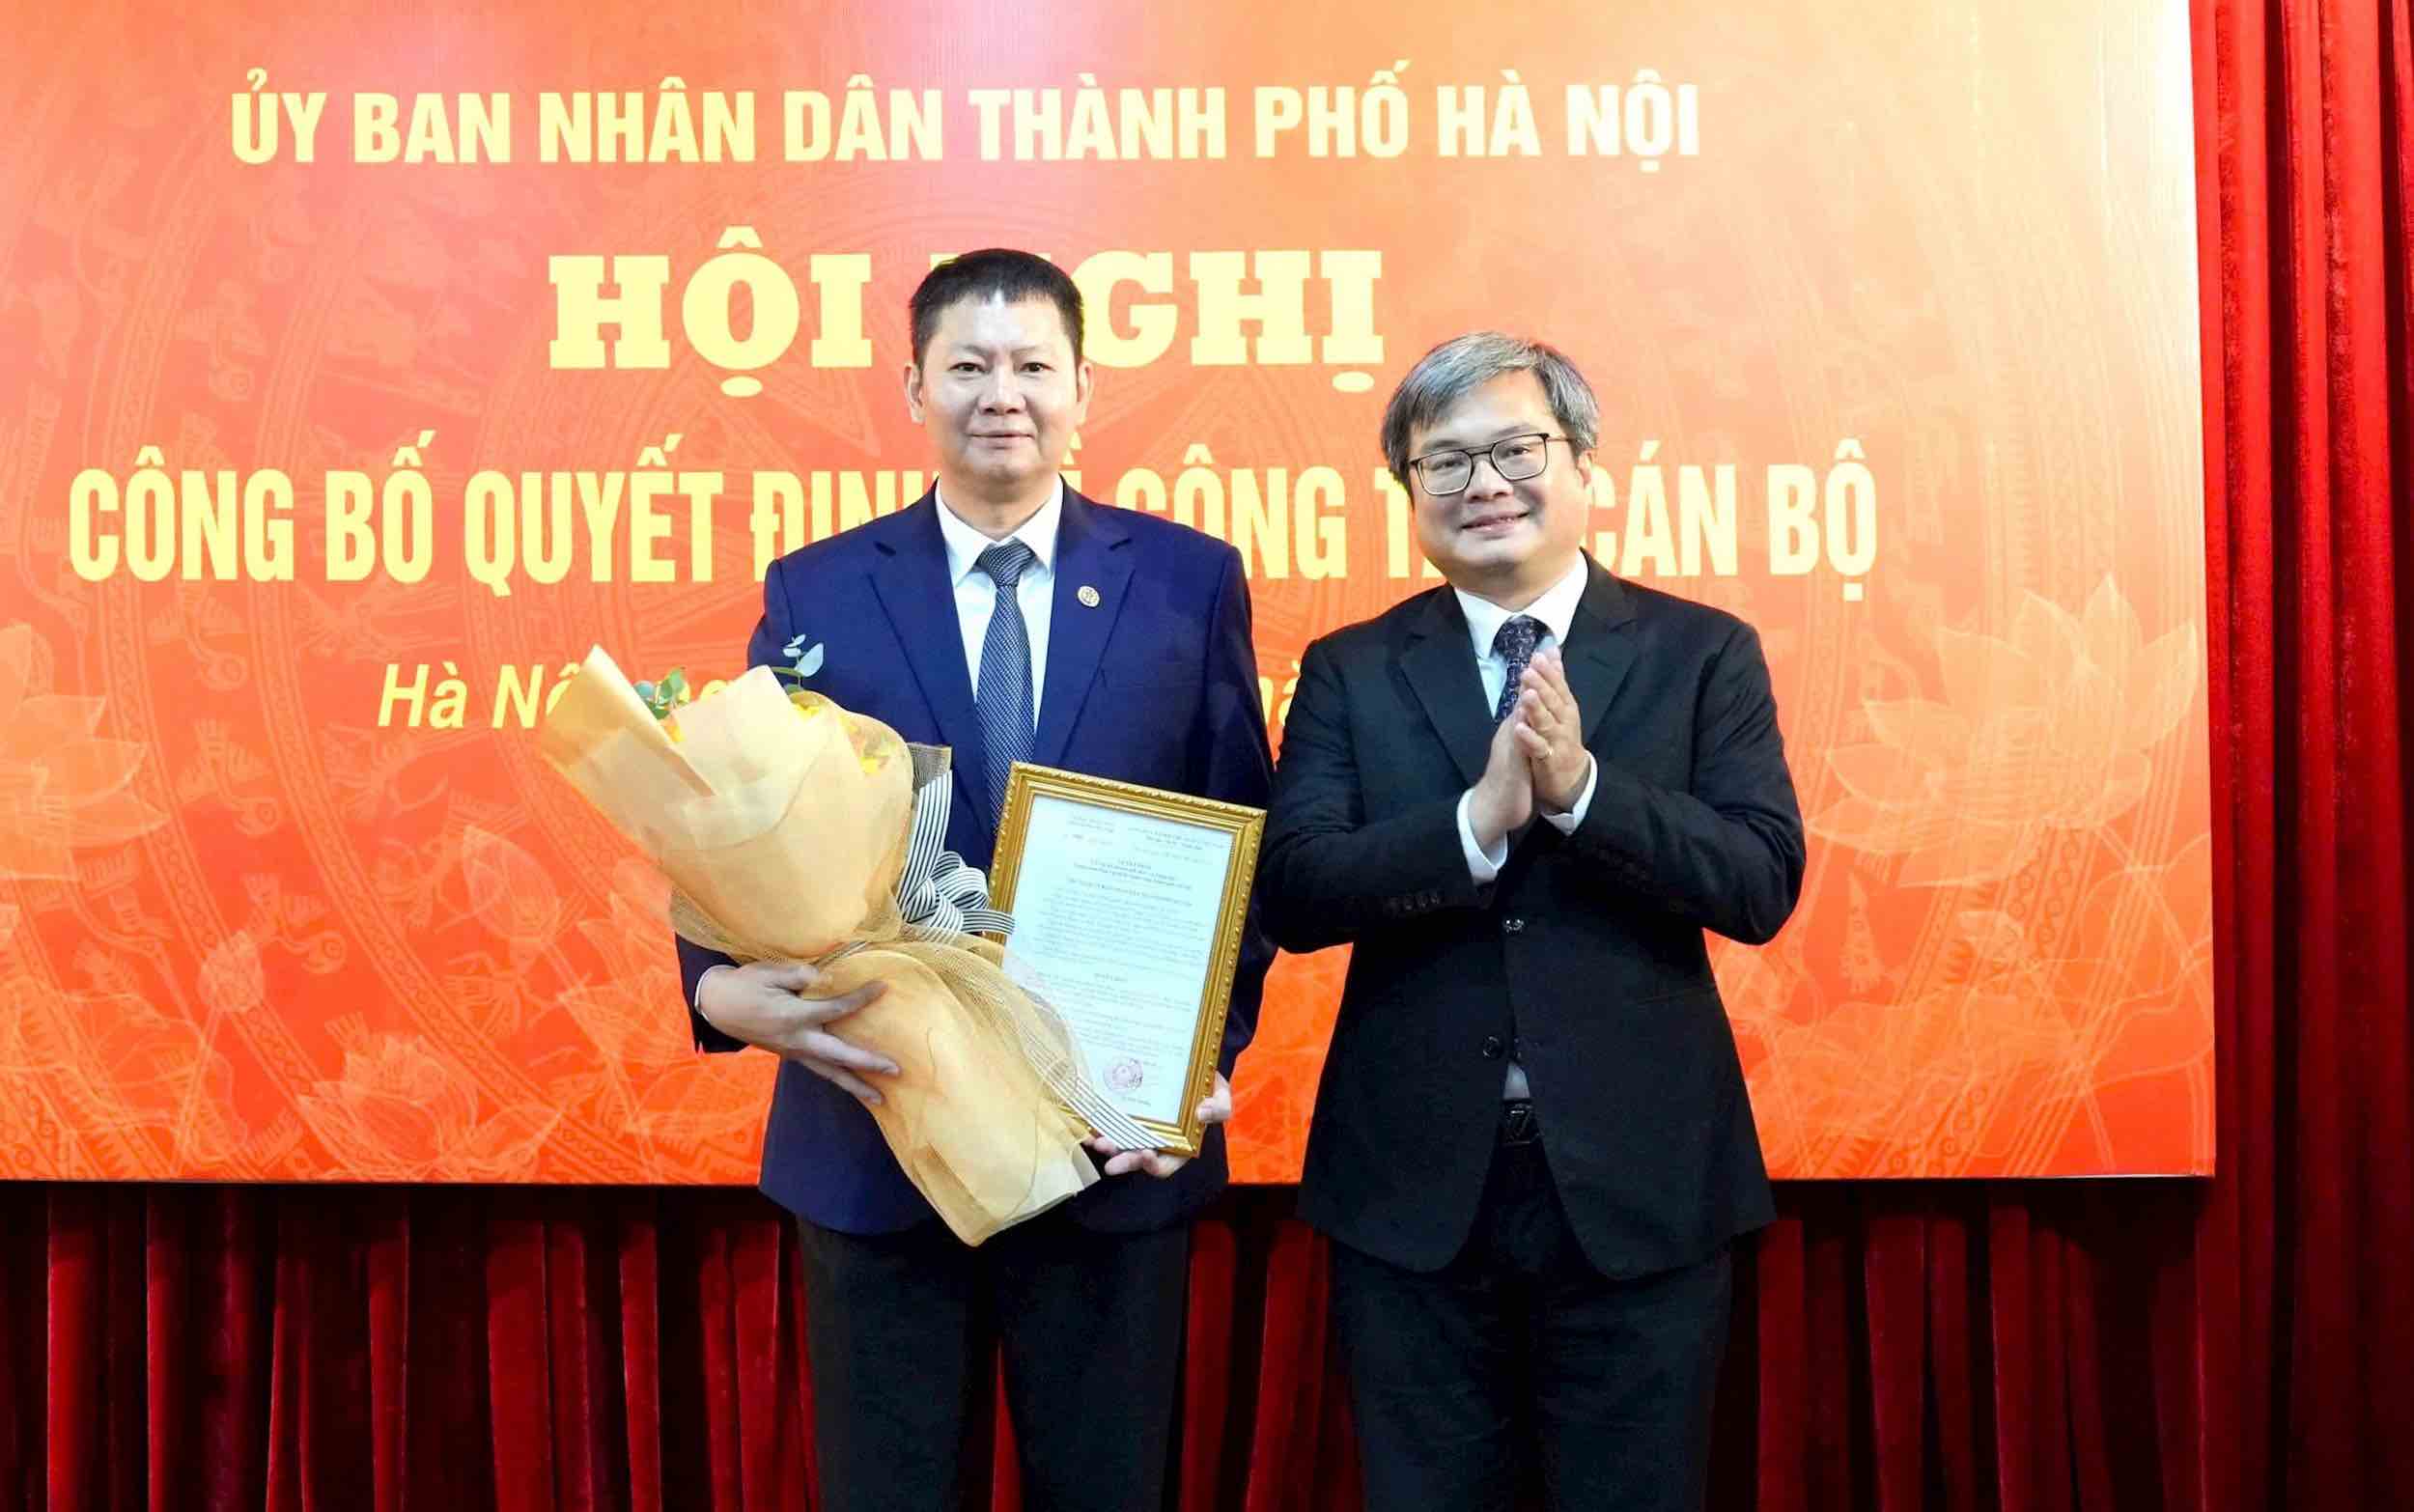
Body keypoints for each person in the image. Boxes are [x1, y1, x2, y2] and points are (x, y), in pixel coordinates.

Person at [677, 249, 1275, 1511]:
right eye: (967, 365)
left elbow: (1241, 835)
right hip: (881, 1129)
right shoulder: (819, 586)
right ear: (913, 387)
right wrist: (717, 986)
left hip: (1109, 1138)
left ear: (1083, 388)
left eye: (1032, 365)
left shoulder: (1187, 581)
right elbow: (741, 810)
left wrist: (1194, 1062)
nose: (1002, 393)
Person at [1258, 331, 1804, 1512]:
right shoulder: (1351, 667)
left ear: (1583, 465)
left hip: (1641, 1187)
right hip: (1411, 1192)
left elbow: (1759, 881)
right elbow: (1294, 890)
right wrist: (1473, 822)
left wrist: (1584, 794)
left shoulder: (1700, 652)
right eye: (1444, 462)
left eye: (1516, 450)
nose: (1485, 485)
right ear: (1409, 490)